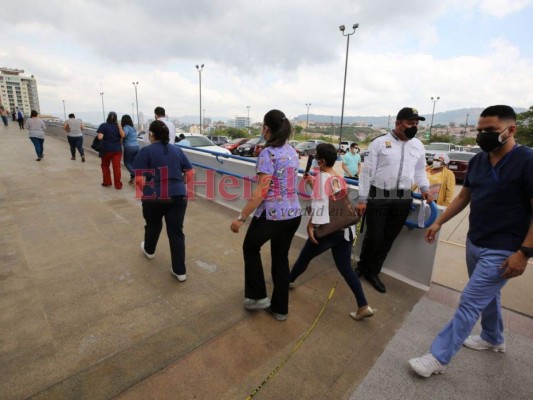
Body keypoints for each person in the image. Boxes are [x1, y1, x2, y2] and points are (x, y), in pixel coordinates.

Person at [409, 105, 533, 378]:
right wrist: (439, 222)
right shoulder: (479, 160)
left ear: (510, 130)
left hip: (504, 248)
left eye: (489, 130)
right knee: (489, 295)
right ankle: (493, 338)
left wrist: (524, 253)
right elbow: (464, 198)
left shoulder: (527, 161)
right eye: (479, 130)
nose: (482, 136)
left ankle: (438, 358)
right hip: (475, 241)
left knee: (469, 301)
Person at [230, 109, 301, 321]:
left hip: (273, 216)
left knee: (250, 247)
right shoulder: (292, 151)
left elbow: (261, 191)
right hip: (293, 214)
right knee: (280, 258)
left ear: (267, 128)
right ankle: (280, 309)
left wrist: (241, 217)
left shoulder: (267, 154)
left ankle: (257, 297)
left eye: (263, 126)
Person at [289, 143, 374, 321]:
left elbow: (320, 204)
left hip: (330, 231)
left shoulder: (321, 178)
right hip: (345, 231)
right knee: (345, 268)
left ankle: (287, 281)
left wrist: (311, 225)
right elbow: (330, 196)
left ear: (320, 161)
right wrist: (312, 182)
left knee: (305, 257)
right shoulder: (338, 177)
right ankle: (363, 305)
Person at [356, 107, 434, 293]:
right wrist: (362, 199)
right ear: (398, 123)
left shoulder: (418, 145)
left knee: (389, 237)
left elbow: (419, 171)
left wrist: (425, 188)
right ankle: (362, 267)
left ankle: (373, 272)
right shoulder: (380, 143)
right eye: (409, 123)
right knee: (374, 236)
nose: (413, 127)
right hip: (379, 193)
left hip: (403, 196)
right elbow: (367, 173)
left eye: (416, 124)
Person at [133, 120, 193, 282]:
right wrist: (180, 185)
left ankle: (149, 250)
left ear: (151, 135)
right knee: (176, 232)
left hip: (154, 196)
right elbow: (190, 173)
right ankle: (180, 271)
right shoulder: (178, 150)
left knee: (153, 224)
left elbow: (139, 180)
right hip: (178, 196)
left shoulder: (145, 152)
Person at [97, 112, 125, 189]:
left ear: (108, 117)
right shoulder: (118, 126)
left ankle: (107, 182)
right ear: (116, 118)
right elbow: (123, 135)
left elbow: (100, 137)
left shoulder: (103, 126)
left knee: (105, 166)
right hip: (117, 150)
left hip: (106, 150)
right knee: (116, 167)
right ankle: (118, 185)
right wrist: (119, 127)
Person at [119, 114, 140, 185]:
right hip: (137, 147)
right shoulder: (133, 128)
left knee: (127, 163)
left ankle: (137, 175)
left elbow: (123, 135)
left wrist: (119, 128)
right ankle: (132, 179)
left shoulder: (126, 127)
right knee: (133, 164)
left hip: (129, 147)